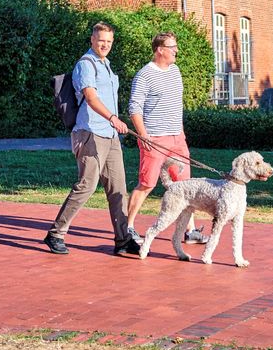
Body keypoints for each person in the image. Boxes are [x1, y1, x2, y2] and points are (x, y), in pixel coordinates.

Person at [45, 22, 140, 256]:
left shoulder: (106, 64)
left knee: (118, 188)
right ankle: (55, 233)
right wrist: (113, 118)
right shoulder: (85, 65)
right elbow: (90, 97)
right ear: (92, 40)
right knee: (86, 186)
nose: (105, 45)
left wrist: (114, 123)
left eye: (109, 41)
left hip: (110, 135)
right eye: (101, 41)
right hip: (89, 133)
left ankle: (122, 239)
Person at [123, 32, 207, 246]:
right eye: (172, 47)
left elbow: (176, 104)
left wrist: (181, 132)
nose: (176, 50)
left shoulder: (175, 71)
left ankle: (190, 232)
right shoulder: (144, 75)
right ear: (160, 49)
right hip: (155, 139)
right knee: (147, 184)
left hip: (177, 139)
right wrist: (143, 134)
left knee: (185, 186)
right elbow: (134, 107)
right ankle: (129, 229)